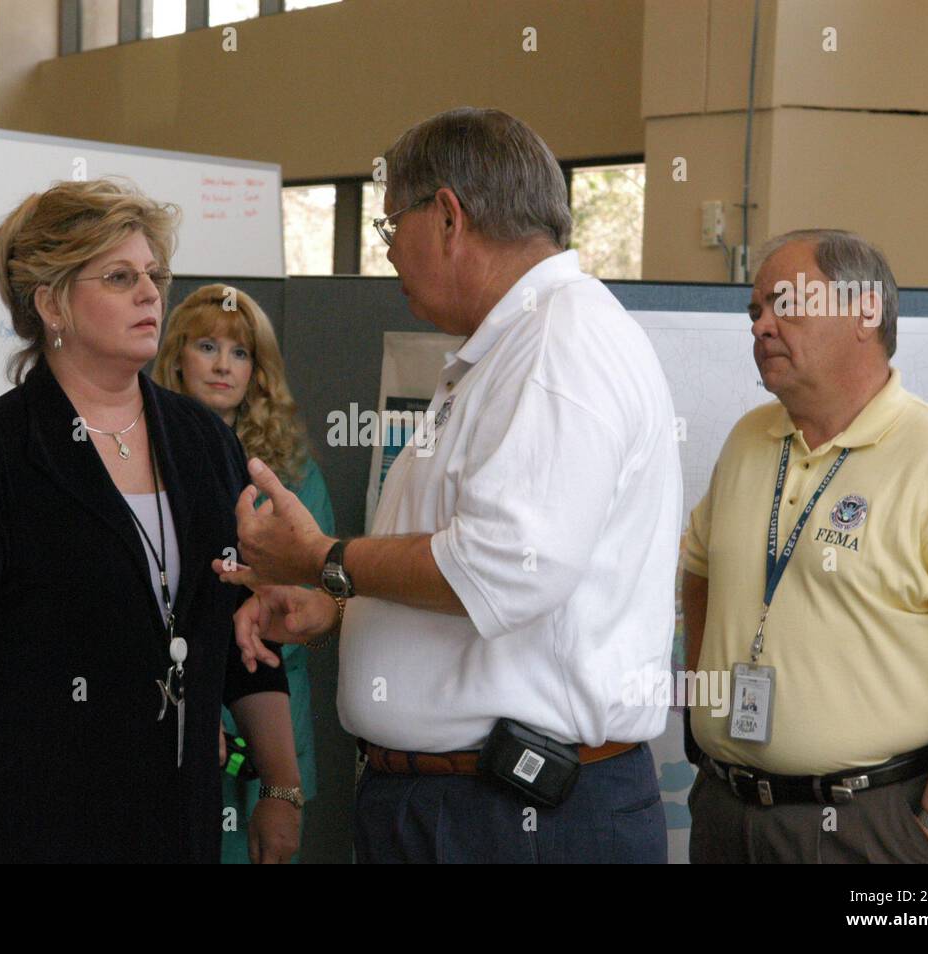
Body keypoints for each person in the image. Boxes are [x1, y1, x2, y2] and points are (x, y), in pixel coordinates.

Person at [214, 107, 683, 863]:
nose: (390, 253)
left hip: (516, 816)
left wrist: (323, 558)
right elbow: (473, 566)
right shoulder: (504, 351)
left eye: (390, 226)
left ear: (448, 217)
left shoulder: (560, 345)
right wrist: (336, 606)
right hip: (460, 806)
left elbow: (505, 568)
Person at [0, 178, 299, 863]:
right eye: (119, 277)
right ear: (52, 302)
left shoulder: (204, 442)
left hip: (182, 829)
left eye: (154, 274)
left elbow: (244, 627)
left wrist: (282, 787)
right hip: (38, 829)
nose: (150, 293)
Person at [681, 228, 928, 864]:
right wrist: (707, 717)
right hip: (728, 817)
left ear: (865, 313)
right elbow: (699, 568)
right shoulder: (747, 441)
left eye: (785, 303)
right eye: (755, 310)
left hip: (877, 829)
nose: (761, 325)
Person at [153, 283, 334, 863]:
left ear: (259, 371)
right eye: (207, 346)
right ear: (177, 357)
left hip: (273, 699)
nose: (224, 366)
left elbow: (322, 595)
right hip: (176, 707)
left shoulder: (293, 474)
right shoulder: (141, 459)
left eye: (240, 353)